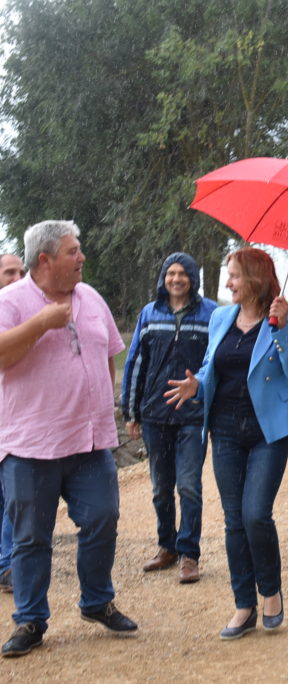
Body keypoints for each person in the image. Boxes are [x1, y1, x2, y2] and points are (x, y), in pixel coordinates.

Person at [0, 221, 138, 658]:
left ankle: (97, 602)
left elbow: (108, 355)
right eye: (72, 251)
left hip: (90, 442)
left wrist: (103, 409)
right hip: (30, 446)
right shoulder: (10, 301)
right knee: (30, 537)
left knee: (103, 518)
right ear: (45, 259)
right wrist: (41, 323)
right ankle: (30, 620)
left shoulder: (91, 297)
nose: (82, 257)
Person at [165, 247, 288, 640]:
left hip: (269, 430)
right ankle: (244, 605)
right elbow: (211, 367)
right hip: (225, 429)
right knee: (233, 520)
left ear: (255, 279)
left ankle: (270, 590)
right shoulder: (220, 317)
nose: (227, 283)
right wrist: (197, 384)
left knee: (255, 514)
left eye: (234, 275)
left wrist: (279, 328)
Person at [122, 253, 217, 583]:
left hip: (193, 414)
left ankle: (189, 553)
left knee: (189, 485)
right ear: (163, 278)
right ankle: (167, 546)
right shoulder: (150, 314)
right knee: (161, 488)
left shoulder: (211, 314)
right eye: (171, 273)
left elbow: (217, 364)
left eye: (183, 273)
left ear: (193, 278)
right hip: (155, 415)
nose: (176, 279)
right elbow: (136, 363)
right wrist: (131, 411)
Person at [0, 254, 24, 594]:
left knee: (12, 497)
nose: (17, 277)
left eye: (21, 271)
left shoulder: (24, 315)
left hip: (15, 425)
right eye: (9, 272)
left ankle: (7, 564)